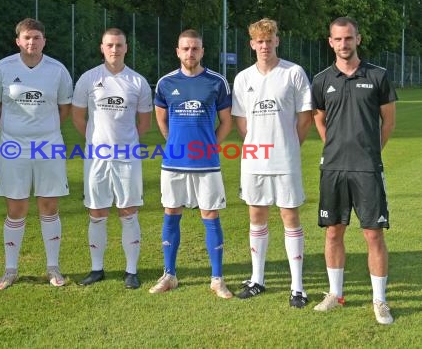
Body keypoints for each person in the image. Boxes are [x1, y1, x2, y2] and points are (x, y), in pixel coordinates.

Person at [311, 17, 397, 324]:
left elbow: (388, 121)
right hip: (333, 167)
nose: (344, 44)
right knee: (333, 231)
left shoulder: (378, 76)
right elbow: (319, 119)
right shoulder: (321, 80)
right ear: (330, 42)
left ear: (357, 39)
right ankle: (335, 294)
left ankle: (380, 300)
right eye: (338, 39)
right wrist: (334, 146)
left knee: (373, 234)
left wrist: (371, 151)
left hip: (367, 168)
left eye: (349, 38)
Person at [0, 18, 73, 290]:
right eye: (26, 38)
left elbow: (64, 109)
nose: (31, 43)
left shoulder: (58, 70)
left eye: (36, 38)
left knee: (49, 207)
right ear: (18, 41)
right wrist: (13, 132)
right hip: (13, 147)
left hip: (49, 145)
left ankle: (53, 268)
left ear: (44, 41)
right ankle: (10, 270)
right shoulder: (2, 69)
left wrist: (43, 132)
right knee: (16, 208)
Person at [231, 18, 312, 308]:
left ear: (277, 40)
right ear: (252, 44)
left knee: (290, 217)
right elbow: (241, 121)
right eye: (259, 41)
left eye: (269, 39)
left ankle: (298, 287)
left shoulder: (294, 73)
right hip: (254, 160)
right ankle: (257, 279)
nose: (264, 45)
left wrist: (288, 145)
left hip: (286, 158)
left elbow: (304, 118)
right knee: (257, 216)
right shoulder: (243, 78)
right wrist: (256, 144)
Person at [150, 29, 233, 299]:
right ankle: (169, 274)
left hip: (206, 164)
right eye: (185, 48)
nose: (190, 53)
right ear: (178, 51)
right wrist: (174, 141)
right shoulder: (165, 83)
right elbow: (162, 120)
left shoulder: (217, 82)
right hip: (174, 162)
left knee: (210, 215)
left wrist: (209, 145)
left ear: (202, 51)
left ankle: (217, 279)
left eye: (195, 48)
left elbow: (227, 122)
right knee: (171, 212)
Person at [71, 28, 152, 289]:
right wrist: (97, 143)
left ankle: (131, 271)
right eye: (109, 45)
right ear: (102, 47)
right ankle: (97, 269)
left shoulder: (137, 82)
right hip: (96, 157)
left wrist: (123, 144)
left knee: (128, 211)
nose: (114, 50)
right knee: (97, 211)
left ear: (126, 47)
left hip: (127, 156)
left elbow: (144, 122)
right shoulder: (88, 78)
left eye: (119, 45)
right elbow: (78, 117)